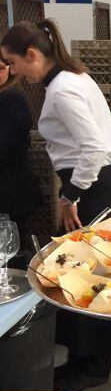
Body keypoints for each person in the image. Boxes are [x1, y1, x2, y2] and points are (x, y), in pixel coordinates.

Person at [0, 19, 111, 391]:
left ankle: (92, 365)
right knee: (83, 276)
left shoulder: (63, 89)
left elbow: (93, 147)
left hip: (95, 188)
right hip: (100, 184)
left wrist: (71, 195)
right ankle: (85, 359)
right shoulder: (73, 77)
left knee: (89, 278)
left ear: (32, 54)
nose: (13, 72)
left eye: (12, 62)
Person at [0, 56, 43, 264]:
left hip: (10, 193)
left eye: (0, 67)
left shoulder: (12, 99)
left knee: (10, 253)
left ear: (10, 70)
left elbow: (6, 147)